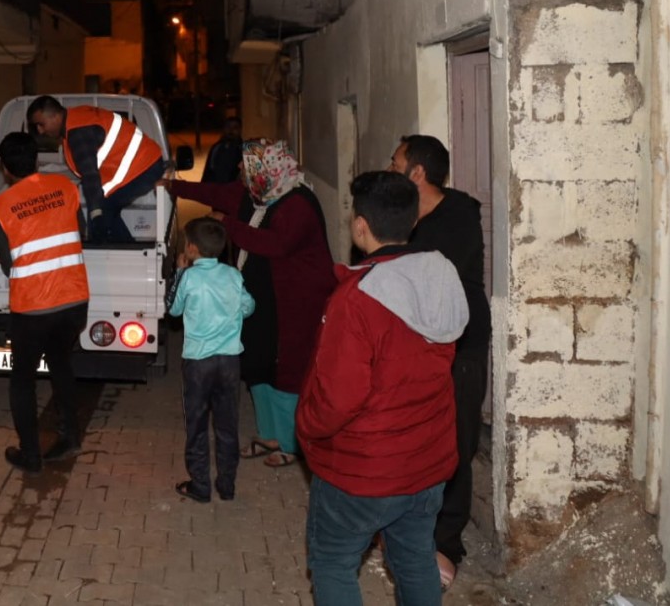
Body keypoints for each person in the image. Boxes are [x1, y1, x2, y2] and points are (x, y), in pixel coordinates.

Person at [298, 171, 468, 606]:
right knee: (414, 561)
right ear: (412, 223)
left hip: (362, 471)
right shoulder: (441, 275)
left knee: (334, 563)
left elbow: (338, 397)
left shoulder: (356, 299)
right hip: (426, 463)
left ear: (360, 226)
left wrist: (305, 428)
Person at [166, 139, 334, 466]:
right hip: (260, 293)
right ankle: (269, 435)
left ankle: (289, 444)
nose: (240, 169)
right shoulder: (256, 194)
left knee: (286, 368)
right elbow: (216, 194)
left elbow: (275, 244)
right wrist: (172, 187)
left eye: (246, 164)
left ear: (264, 168)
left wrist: (226, 225)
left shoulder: (296, 202)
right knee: (257, 364)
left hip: (294, 302)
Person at [388, 134, 490, 590]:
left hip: (458, 350)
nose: (390, 171)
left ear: (417, 173)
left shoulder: (459, 217)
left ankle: (447, 545)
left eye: (396, 165)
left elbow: (428, 279)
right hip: (416, 348)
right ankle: (410, 530)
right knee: (415, 440)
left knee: (455, 445)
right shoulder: (406, 219)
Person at [0, 132, 89, 474]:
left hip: (32, 307)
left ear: (5, 169)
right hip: (73, 299)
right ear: (37, 160)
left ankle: (31, 455)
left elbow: (7, 263)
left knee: (22, 379)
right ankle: (70, 436)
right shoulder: (65, 188)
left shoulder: (0, 207)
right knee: (61, 366)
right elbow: (81, 234)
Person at [167, 217, 255, 503]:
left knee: (197, 424)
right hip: (229, 362)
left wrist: (179, 273)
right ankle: (227, 486)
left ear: (191, 249)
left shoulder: (190, 277)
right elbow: (248, 306)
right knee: (227, 426)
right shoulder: (232, 274)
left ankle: (201, 485)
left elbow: (174, 310)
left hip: (198, 364)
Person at [27, 95, 164, 244]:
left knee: (102, 213)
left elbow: (90, 175)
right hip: (146, 162)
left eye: (41, 124)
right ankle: (121, 252)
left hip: (143, 168)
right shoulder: (77, 117)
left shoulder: (78, 132)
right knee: (102, 211)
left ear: (54, 116)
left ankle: (123, 254)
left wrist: (95, 212)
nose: (40, 131)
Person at [201, 118, 244, 184]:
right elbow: (208, 171)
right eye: (228, 127)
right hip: (214, 188)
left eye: (235, 127)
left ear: (240, 130)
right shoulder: (216, 147)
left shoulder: (244, 150)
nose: (231, 130)